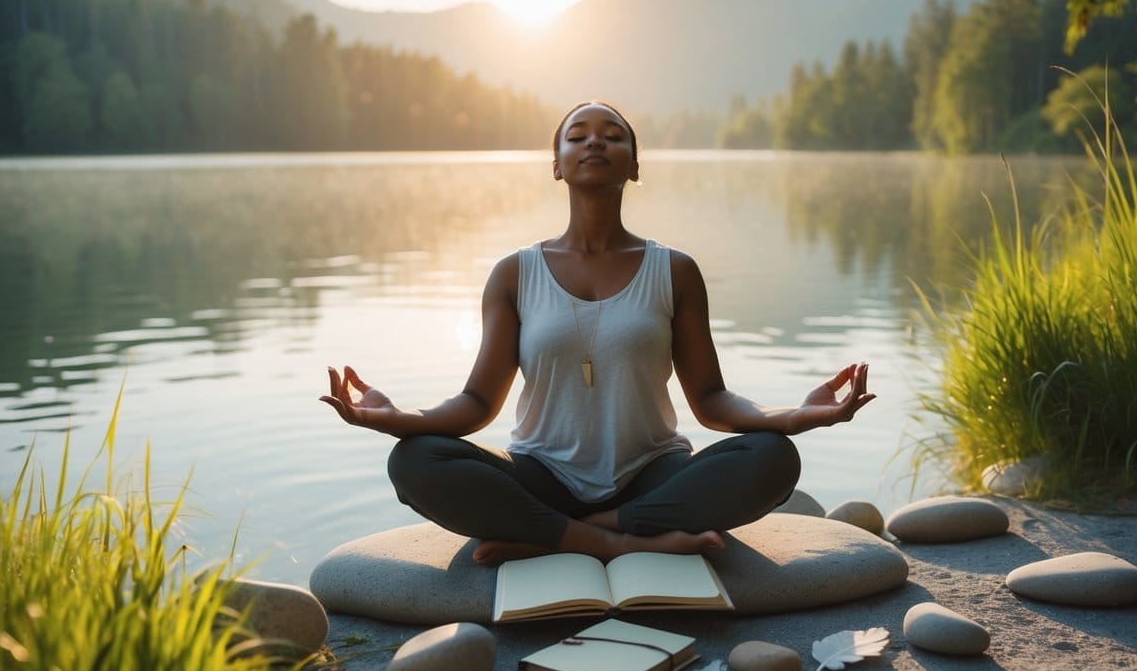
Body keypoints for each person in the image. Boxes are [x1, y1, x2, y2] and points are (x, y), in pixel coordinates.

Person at [321, 101, 874, 567]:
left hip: (650, 471)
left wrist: (798, 417)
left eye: (613, 137)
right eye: (577, 136)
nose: (594, 143)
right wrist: (397, 420)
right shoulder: (515, 274)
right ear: (556, 164)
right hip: (541, 470)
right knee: (414, 461)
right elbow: (475, 403)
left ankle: (553, 536)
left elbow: (710, 401)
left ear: (634, 166)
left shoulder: (674, 270)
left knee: (773, 458)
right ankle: (618, 543)